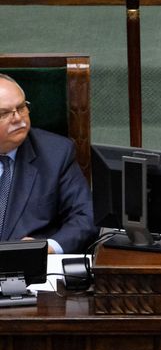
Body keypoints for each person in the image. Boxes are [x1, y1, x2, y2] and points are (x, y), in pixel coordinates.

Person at [0, 73, 96, 253]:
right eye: (4, 113)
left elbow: (85, 217)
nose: (19, 119)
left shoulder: (56, 153)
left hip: (31, 270)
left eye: (21, 108)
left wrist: (48, 247)